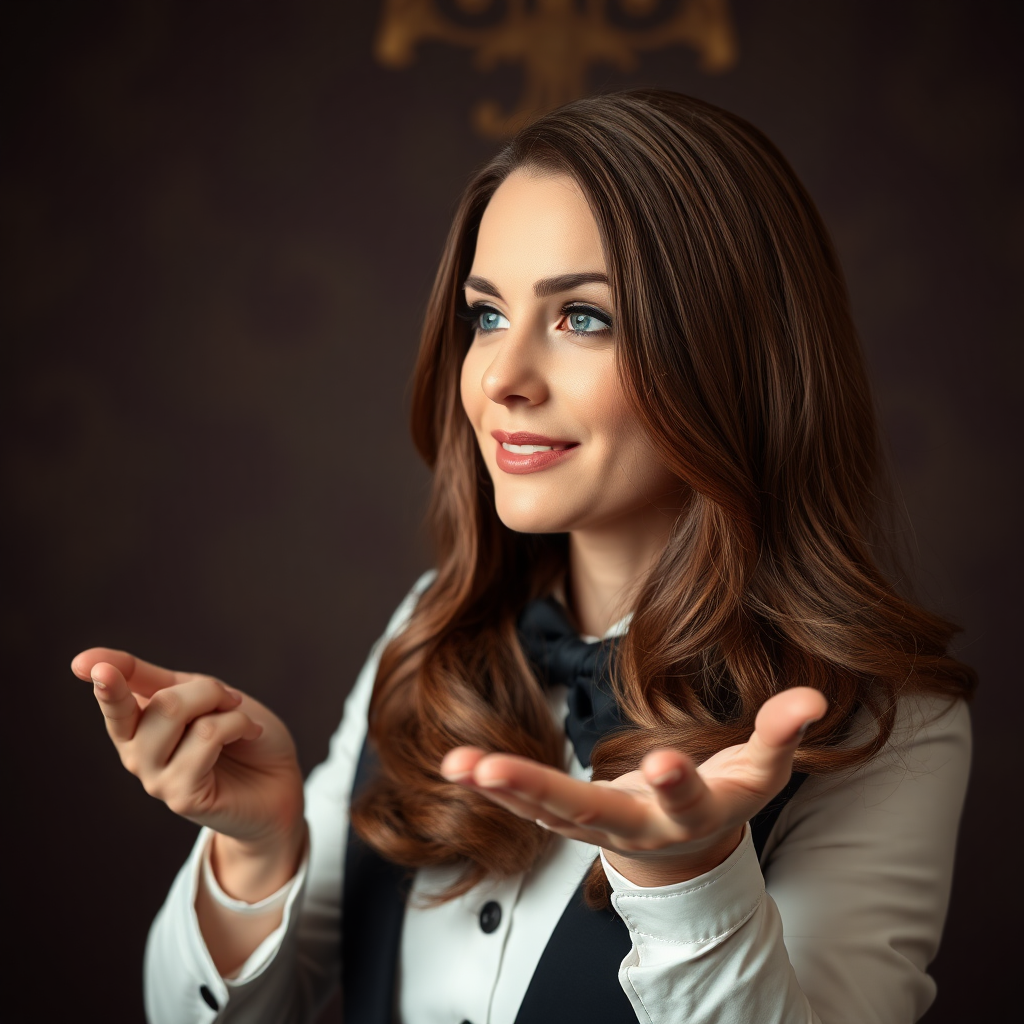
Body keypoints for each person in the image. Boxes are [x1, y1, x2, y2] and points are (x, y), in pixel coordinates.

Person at [71, 90, 975, 1024]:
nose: (502, 377)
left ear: (736, 354)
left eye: (583, 317)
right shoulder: (430, 627)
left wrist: (689, 880)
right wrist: (257, 851)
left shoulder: (894, 724)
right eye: (487, 315)